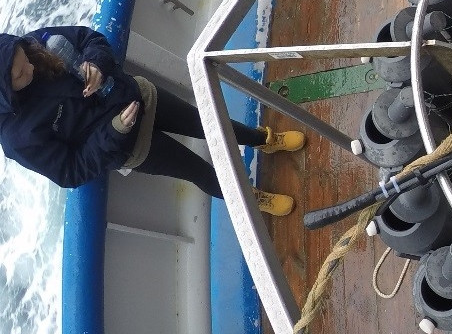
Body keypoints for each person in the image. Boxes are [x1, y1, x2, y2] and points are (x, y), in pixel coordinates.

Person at [0, 25, 303, 215]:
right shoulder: (17, 139)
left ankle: (264, 139)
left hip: (139, 96)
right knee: (198, 171)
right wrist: (114, 131)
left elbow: (90, 38)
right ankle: (253, 198)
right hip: (130, 145)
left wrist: (97, 63)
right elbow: (70, 171)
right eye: (19, 74)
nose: (30, 67)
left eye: (24, 59)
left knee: (212, 125)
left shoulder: (35, 44)